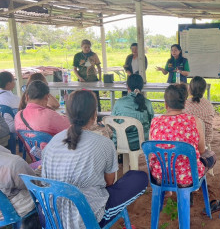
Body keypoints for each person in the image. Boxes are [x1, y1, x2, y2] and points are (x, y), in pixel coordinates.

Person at [42, 90, 148, 228]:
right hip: (87, 218)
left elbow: (46, 182)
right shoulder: (104, 143)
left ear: (67, 113)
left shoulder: (53, 142)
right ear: (94, 114)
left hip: (52, 216)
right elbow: (110, 182)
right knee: (139, 177)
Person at [149, 84, 214, 186]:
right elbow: (201, 150)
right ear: (184, 103)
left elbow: (152, 151)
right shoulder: (194, 121)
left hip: (160, 177)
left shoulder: (155, 121)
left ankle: (167, 191)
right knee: (211, 157)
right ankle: (189, 194)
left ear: (166, 104)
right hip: (188, 178)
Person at [0, 145, 41, 229]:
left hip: (4, 203)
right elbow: (33, 184)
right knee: (41, 192)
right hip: (8, 211)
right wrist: (40, 170)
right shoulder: (13, 163)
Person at [111, 74, 154, 150]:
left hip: (120, 143)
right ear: (142, 87)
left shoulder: (119, 103)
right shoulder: (147, 103)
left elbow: (112, 123)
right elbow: (152, 123)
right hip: (142, 144)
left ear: (127, 86)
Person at [184, 76, 215, 146]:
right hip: (205, 142)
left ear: (189, 89)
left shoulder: (185, 104)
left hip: (188, 143)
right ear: (204, 90)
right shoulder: (209, 105)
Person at [72, 39, 101, 111]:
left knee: (95, 99)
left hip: (93, 80)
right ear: (81, 47)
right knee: (83, 99)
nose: (87, 49)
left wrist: (100, 79)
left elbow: (99, 67)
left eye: (89, 47)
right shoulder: (77, 56)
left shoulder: (94, 55)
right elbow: (75, 69)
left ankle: (97, 115)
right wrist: (80, 78)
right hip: (82, 81)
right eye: (85, 47)